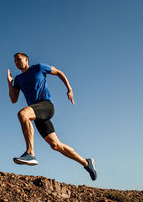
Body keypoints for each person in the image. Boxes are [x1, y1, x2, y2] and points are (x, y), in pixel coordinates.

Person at [7, 52, 97, 181]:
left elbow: (59, 72)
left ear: (26, 60)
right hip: (35, 113)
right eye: (15, 61)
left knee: (23, 114)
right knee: (56, 145)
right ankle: (86, 163)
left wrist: (69, 89)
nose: (17, 63)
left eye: (19, 60)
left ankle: (30, 153)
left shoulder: (38, 68)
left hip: (46, 106)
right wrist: (10, 83)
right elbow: (13, 99)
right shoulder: (18, 79)